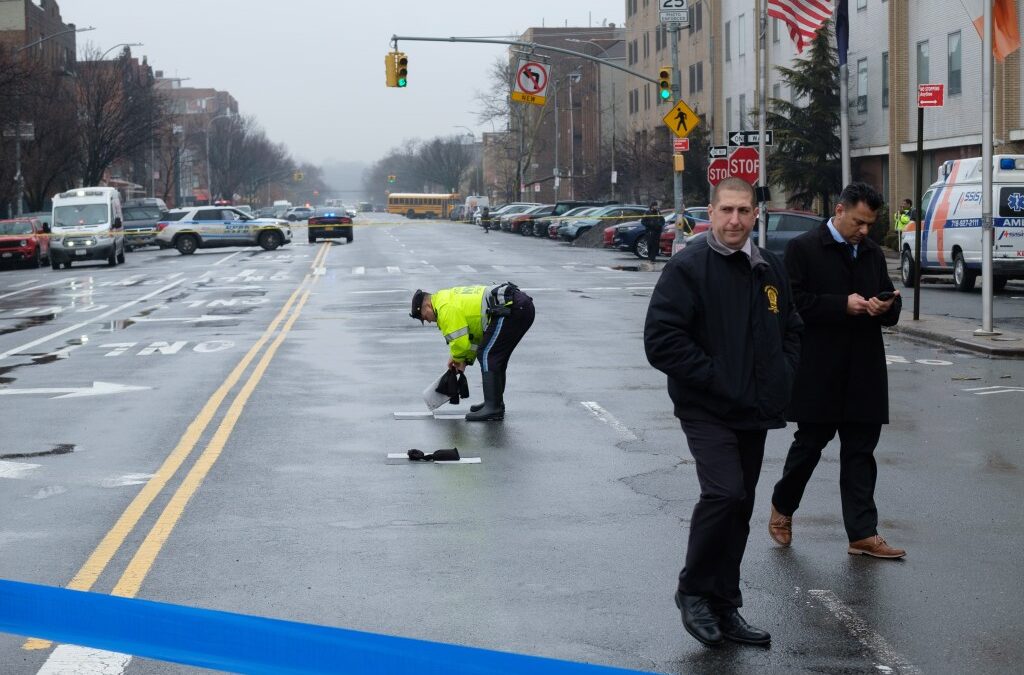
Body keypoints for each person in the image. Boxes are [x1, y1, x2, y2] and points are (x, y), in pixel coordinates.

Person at [645, 177, 803, 648]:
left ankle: (725, 604)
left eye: (743, 211)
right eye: (726, 210)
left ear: (756, 215)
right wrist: (718, 377)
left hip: (754, 408)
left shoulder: (769, 267)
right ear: (710, 214)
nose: (735, 220)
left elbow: (791, 327)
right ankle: (692, 591)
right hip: (706, 406)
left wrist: (783, 373)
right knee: (723, 494)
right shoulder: (688, 267)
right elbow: (662, 342)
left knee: (741, 507)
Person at [768, 182, 905, 559]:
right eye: (859, 222)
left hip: (864, 369)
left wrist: (885, 307)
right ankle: (782, 507)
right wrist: (840, 306)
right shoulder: (803, 249)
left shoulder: (872, 252)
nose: (864, 231)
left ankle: (862, 534)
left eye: (870, 225)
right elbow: (792, 305)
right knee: (809, 446)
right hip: (819, 368)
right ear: (840, 210)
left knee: (861, 452)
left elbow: (890, 301)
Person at [410, 283, 534, 421]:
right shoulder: (445, 299)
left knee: (488, 355)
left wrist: (457, 358)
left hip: (513, 308)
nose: (427, 321)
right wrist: (465, 361)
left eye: (424, 317)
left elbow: (460, 344)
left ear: (427, 306)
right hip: (517, 307)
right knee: (493, 355)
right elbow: (474, 338)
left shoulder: (444, 308)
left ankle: (493, 407)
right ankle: (494, 402)